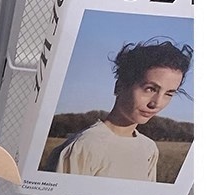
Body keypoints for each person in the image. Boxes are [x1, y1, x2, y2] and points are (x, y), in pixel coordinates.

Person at [44, 39, 193, 181]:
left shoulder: (149, 149)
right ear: (120, 86)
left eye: (168, 94)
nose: (157, 103)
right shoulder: (82, 147)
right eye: (150, 89)